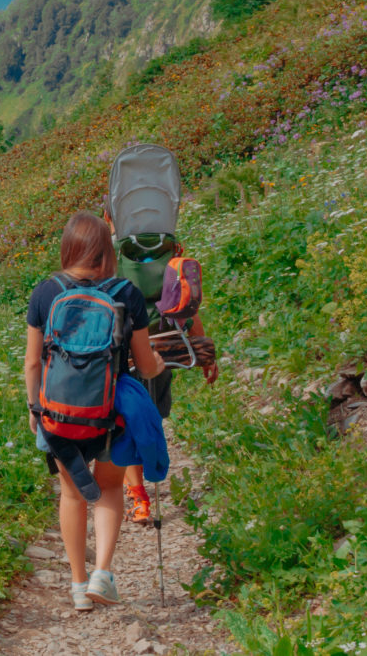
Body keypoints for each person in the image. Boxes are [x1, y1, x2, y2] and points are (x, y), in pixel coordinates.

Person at [25, 212, 165, 610]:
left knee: (71, 494)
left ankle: (76, 585)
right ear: (107, 248)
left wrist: (35, 407)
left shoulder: (45, 292)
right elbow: (145, 363)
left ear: (68, 247)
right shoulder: (127, 292)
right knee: (107, 487)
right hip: (111, 413)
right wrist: (159, 362)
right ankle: (102, 574)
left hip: (60, 413)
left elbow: (33, 363)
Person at [103, 207, 220, 524]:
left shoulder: (113, 255)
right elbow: (186, 302)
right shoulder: (167, 249)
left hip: (122, 353)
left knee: (127, 422)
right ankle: (143, 484)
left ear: (110, 219)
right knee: (152, 415)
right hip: (165, 348)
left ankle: (138, 496)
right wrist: (204, 351)